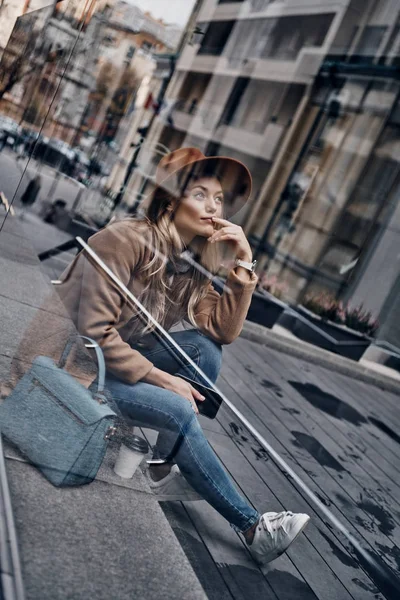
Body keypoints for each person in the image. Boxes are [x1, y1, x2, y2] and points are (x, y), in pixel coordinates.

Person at [56, 147, 310, 565]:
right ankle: (251, 527)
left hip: (114, 360)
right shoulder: (126, 239)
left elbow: (222, 332)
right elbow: (93, 332)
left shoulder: (189, 262)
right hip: (74, 365)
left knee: (203, 350)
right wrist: (160, 376)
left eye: (219, 199)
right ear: (171, 201)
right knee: (177, 406)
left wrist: (244, 261)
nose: (213, 207)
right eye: (199, 193)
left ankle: (160, 469)